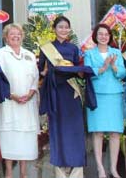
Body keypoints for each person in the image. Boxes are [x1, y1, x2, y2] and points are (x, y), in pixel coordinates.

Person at [38, 16, 86, 178]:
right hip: (54, 92)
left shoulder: (73, 48)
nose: (64, 30)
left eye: (66, 27)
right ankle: (60, 172)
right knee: (57, 130)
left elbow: (78, 70)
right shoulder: (46, 48)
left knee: (74, 130)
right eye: (61, 27)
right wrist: (44, 72)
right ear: (54, 29)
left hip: (71, 91)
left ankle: (76, 172)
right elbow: (41, 71)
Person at [0, 23, 39, 178]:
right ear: (6, 37)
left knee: (25, 138)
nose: (16, 36)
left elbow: (35, 77)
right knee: (9, 137)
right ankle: (8, 172)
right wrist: (13, 95)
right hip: (9, 102)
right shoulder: (0, 54)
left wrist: (31, 93)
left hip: (28, 103)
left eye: (18, 34)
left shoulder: (30, 55)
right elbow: (0, 77)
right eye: (12, 34)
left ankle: (23, 173)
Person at [84, 24, 125, 178]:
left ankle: (113, 169)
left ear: (110, 36)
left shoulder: (116, 52)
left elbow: (122, 73)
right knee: (98, 132)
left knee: (115, 133)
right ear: (95, 36)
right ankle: (100, 168)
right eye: (100, 34)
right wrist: (103, 67)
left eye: (106, 34)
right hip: (97, 95)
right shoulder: (89, 53)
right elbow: (88, 72)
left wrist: (114, 66)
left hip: (114, 95)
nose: (103, 37)